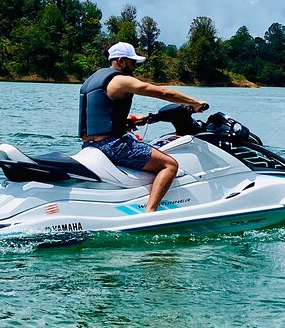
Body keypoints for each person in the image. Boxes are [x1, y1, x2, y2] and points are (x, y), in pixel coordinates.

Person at [79, 42, 208, 212]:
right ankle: (150, 212)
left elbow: (99, 114)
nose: (135, 67)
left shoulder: (93, 80)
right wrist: (195, 103)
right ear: (121, 61)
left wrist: (127, 121)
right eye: (133, 62)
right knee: (169, 165)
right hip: (112, 145)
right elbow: (161, 92)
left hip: (90, 145)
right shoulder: (121, 80)